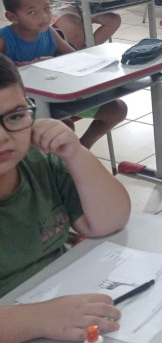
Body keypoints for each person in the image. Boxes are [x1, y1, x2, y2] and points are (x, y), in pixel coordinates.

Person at [0, 54, 131, 343]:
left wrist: (76, 153)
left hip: (57, 300)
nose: (2, 137)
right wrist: (37, 319)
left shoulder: (36, 161)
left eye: (15, 116)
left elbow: (108, 222)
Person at [0, 0, 127, 150]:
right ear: (12, 17)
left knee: (117, 110)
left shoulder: (48, 32)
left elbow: (74, 56)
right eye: (32, 12)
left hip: (58, 95)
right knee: (63, 129)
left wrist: (100, 64)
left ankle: (83, 148)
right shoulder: (5, 40)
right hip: (25, 103)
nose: (43, 16)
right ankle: (59, 161)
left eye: (47, 8)